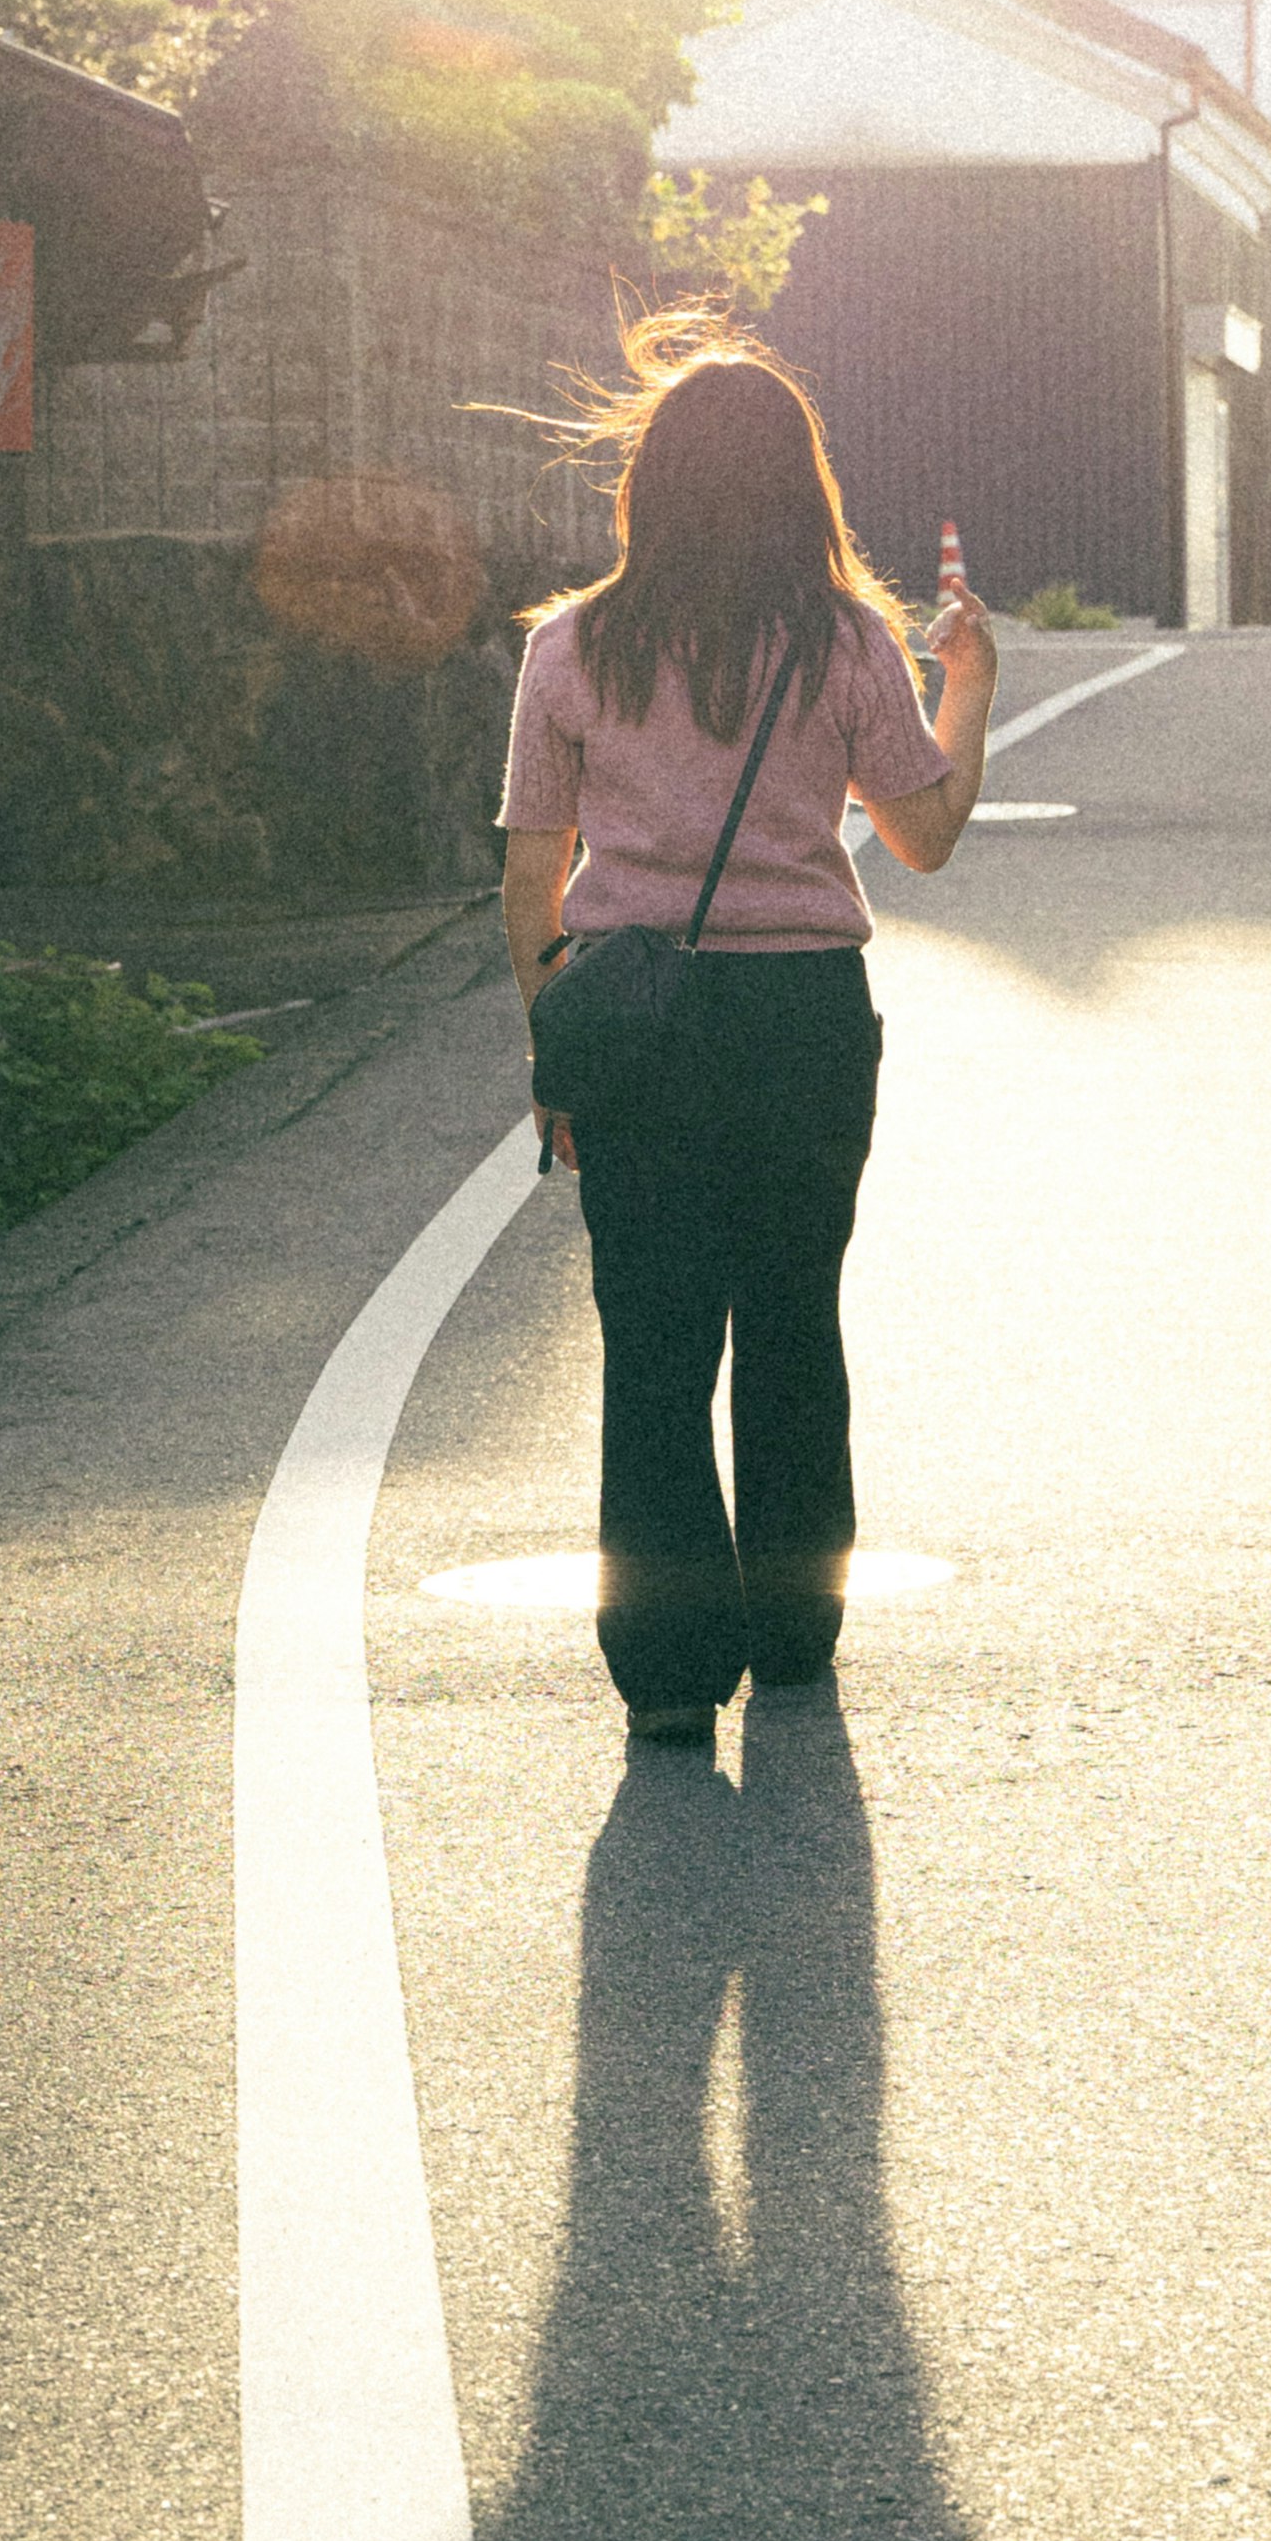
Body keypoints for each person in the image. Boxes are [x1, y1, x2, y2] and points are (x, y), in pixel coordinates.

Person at [500, 327, 997, 1748]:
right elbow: (927, 835)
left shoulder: (571, 647)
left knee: (652, 1348)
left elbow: (531, 875)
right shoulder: (842, 640)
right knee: (792, 1326)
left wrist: (561, 1056)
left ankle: (664, 1676)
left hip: (635, 1021)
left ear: (650, 488)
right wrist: (971, 688)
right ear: (801, 486)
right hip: (800, 1026)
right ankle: (791, 1637)